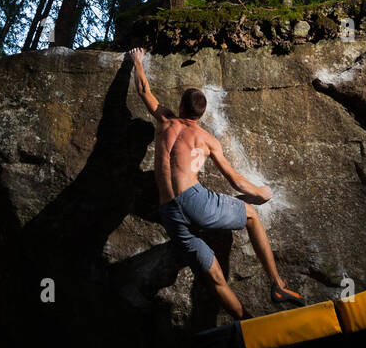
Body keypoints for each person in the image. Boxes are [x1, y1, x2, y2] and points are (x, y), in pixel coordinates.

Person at [128, 47, 304, 318]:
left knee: (215, 278)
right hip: (195, 201)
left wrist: (137, 61)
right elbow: (235, 181)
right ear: (200, 115)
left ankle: (246, 322)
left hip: (169, 213)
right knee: (251, 215)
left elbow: (143, 90)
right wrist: (261, 193)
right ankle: (278, 285)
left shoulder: (164, 120)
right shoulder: (206, 140)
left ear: (180, 107)